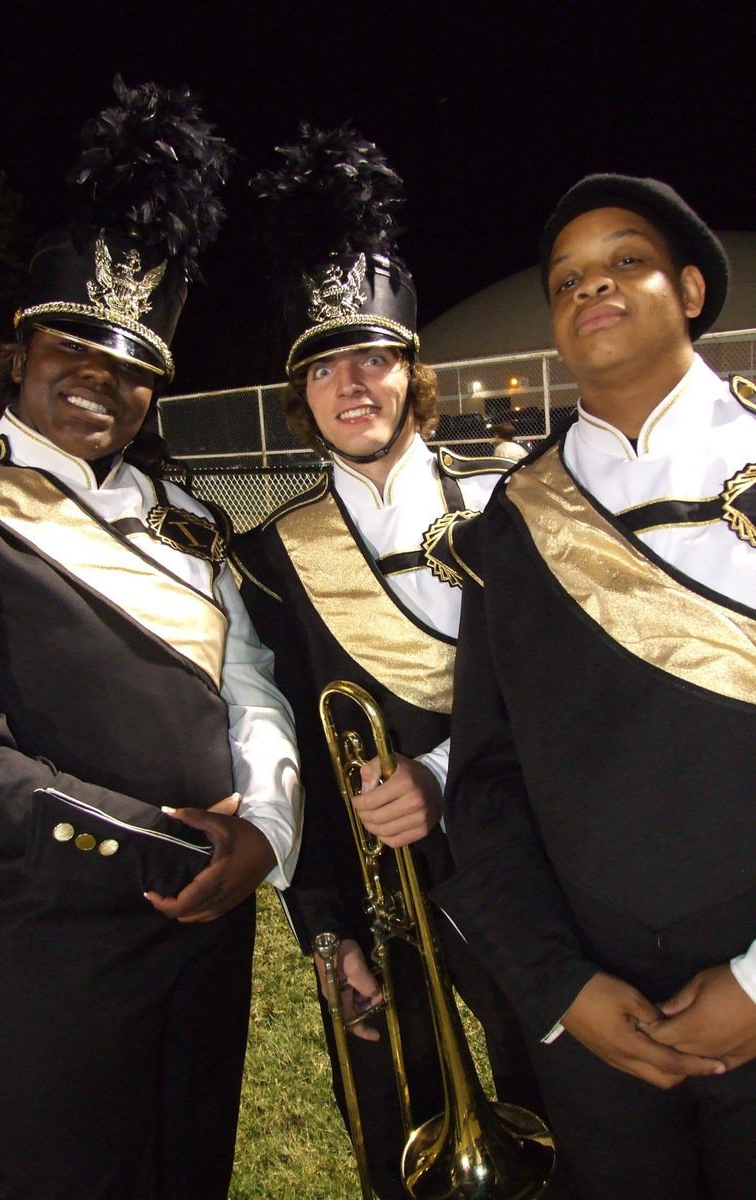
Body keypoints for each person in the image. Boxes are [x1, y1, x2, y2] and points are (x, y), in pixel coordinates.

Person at [0, 79, 301, 1200]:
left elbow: (247, 684)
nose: (101, 379)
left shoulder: (189, 518)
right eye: (75, 348)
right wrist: (174, 849)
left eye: (133, 364)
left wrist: (263, 828)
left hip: (209, 935)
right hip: (47, 948)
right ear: (18, 352)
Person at [234, 127, 550, 1199]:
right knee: (399, 1142)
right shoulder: (273, 556)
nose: (348, 384)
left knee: (576, 1111)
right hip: (380, 903)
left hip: (538, 867)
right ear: (301, 393)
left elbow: (574, 695)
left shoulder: (514, 498)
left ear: (411, 370)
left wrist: (443, 776)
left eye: (371, 357)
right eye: (321, 366)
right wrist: (323, 926)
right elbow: (287, 746)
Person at [440, 173, 756, 1199]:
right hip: (590, 1013)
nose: (592, 288)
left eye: (625, 260)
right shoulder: (510, 521)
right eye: (566, 279)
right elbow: (484, 781)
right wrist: (557, 985)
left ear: (691, 291)